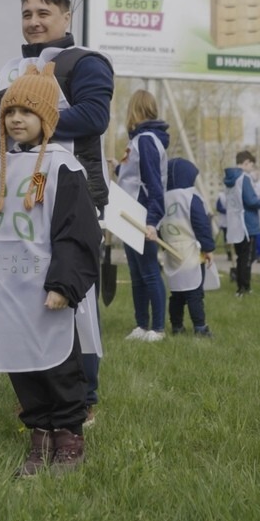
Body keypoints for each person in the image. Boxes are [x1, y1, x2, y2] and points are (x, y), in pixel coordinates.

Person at [0, 0, 111, 426]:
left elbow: (94, 117)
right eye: (26, 13)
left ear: (65, 16)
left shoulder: (85, 63)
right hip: (10, 199)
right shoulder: (2, 73)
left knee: (69, 296)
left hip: (65, 192)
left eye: (44, 12)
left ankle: (82, 397)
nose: (34, 21)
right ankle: (33, 392)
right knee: (13, 297)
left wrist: (29, 114)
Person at [0, 64, 101, 477]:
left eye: (27, 111)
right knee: (21, 363)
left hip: (45, 287)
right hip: (5, 288)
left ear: (47, 120)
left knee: (57, 363)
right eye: (9, 111)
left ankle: (68, 436)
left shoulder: (62, 167)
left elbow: (79, 232)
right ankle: (39, 433)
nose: (16, 118)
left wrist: (64, 285)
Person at [114, 89, 170, 342]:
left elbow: (153, 183)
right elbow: (133, 176)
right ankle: (141, 324)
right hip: (128, 213)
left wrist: (152, 221)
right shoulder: (138, 140)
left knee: (149, 272)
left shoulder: (146, 139)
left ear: (135, 109)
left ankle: (157, 328)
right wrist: (115, 167)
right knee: (136, 274)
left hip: (141, 214)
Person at [161, 158, 215, 337]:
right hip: (190, 250)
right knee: (194, 292)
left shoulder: (163, 197)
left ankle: (177, 326)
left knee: (176, 292)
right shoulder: (191, 196)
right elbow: (201, 223)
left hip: (170, 250)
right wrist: (208, 247)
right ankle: (200, 327)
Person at [219, 150, 260, 297]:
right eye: (251, 165)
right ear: (246, 163)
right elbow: (251, 201)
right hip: (248, 224)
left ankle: (241, 286)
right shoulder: (244, 178)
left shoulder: (229, 179)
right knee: (248, 258)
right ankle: (244, 289)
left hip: (235, 224)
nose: (252, 168)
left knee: (241, 256)